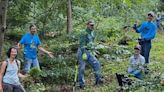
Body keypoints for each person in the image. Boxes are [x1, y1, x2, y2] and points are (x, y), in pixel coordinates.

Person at [77, 19, 103, 89]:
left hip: (89, 51)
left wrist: (94, 49)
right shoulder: (83, 32)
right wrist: (84, 53)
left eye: (93, 25)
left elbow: (92, 43)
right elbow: (82, 44)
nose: (92, 26)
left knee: (96, 64)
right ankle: (81, 84)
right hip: (82, 51)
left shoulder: (93, 32)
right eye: (91, 25)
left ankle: (98, 80)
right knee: (82, 68)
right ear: (87, 25)